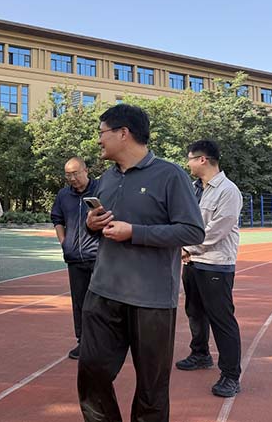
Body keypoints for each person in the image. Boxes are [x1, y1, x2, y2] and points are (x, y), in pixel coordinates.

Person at [80, 104, 205, 422]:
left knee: (151, 389)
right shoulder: (106, 179)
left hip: (152, 300)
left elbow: (192, 230)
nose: (98, 140)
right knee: (92, 375)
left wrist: (135, 232)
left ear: (123, 133)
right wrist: (91, 224)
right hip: (103, 291)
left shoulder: (170, 175)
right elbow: (98, 226)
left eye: (101, 132)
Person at [177, 140, 244, 398]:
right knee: (194, 312)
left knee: (221, 319)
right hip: (193, 262)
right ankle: (200, 354)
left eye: (190, 158)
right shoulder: (195, 189)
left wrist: (187, 248)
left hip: (216, 263)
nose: (188, 163)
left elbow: (217, 230)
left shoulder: (228, 191)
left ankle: (230, 375)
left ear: (202, 159)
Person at [50, 157, 100, 360]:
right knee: (80, 303)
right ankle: (83, 342)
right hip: (75, 258)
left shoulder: (101, 190)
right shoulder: (63, 195)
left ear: (86, 171)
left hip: (98, 257)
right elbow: (57, 219)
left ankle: (104, 342)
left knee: (101, 303)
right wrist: (64, 242)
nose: (72, 178)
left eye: (75, 173)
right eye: (68, 175)